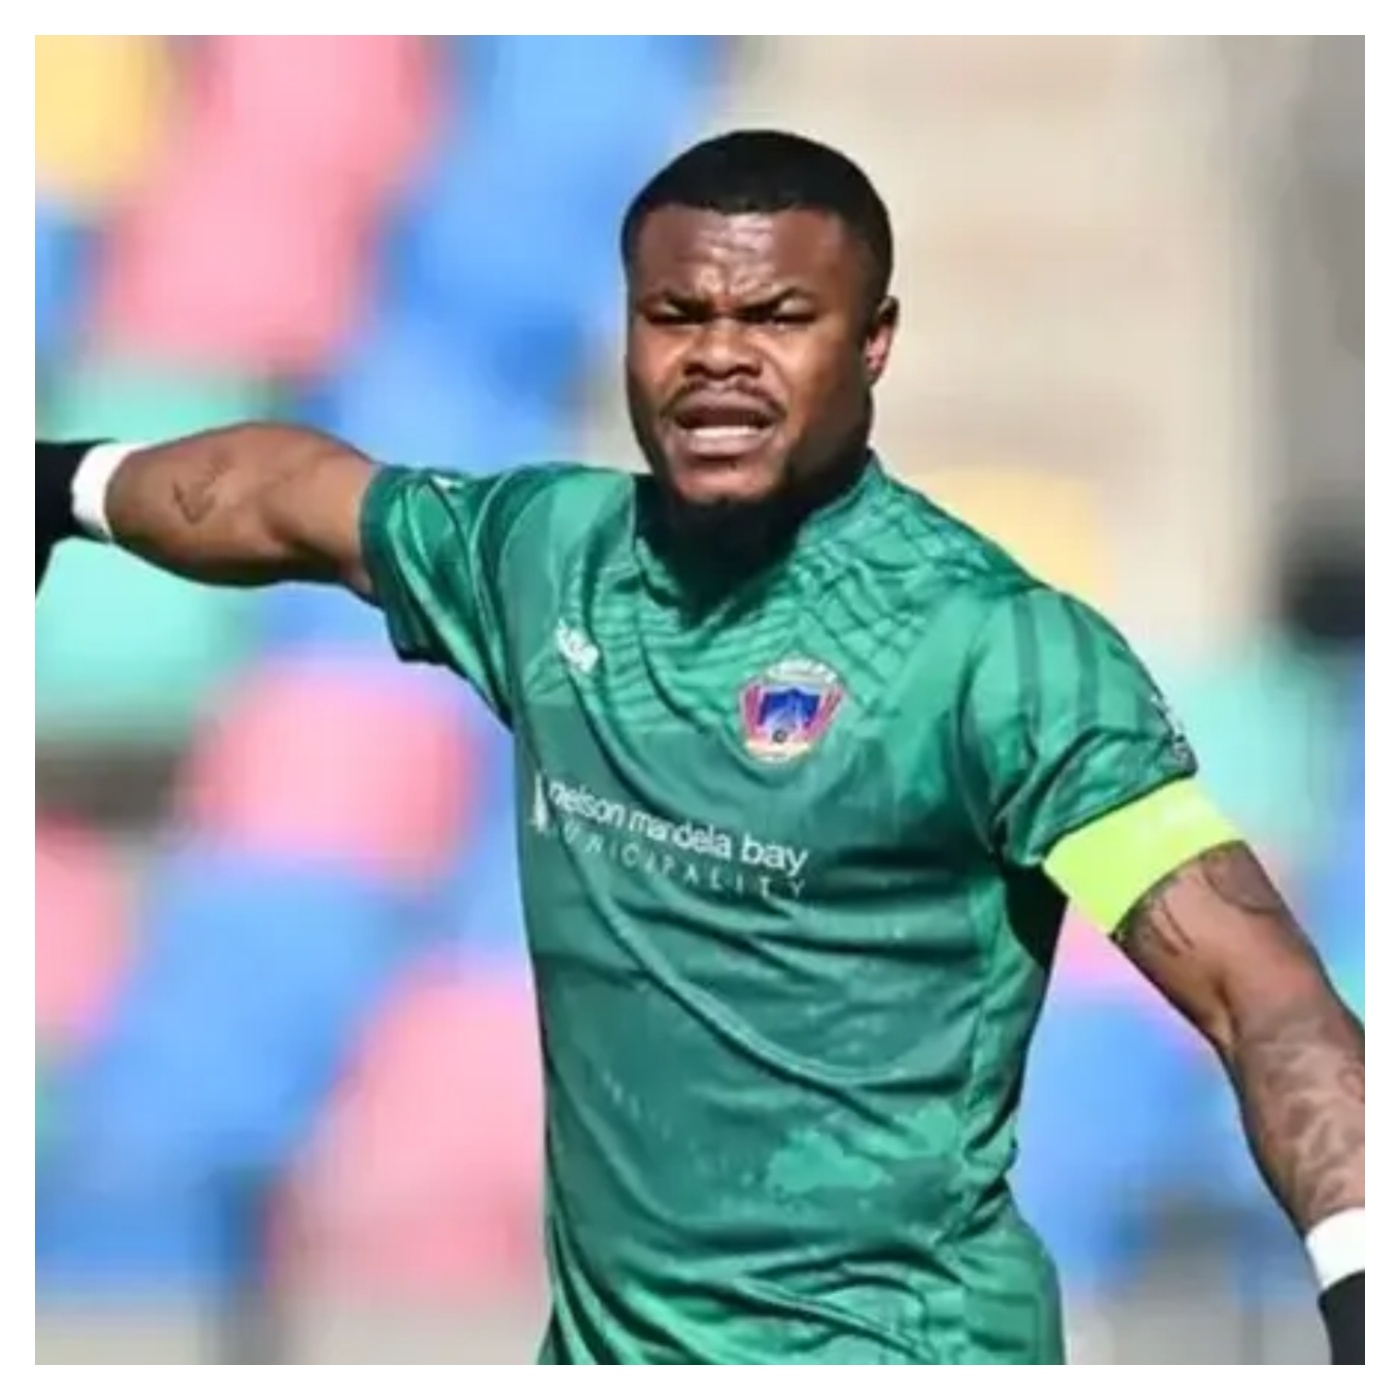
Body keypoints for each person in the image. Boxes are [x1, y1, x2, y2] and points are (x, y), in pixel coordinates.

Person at [35, 129, 1363, 1365]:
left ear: (875, 342)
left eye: (778, 317)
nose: (719, 357)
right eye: (677, 315)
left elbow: (1263, 998)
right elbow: (290, 504)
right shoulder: (547, 560)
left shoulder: (1001, 653)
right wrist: (60, 485)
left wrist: (1367, 1298)